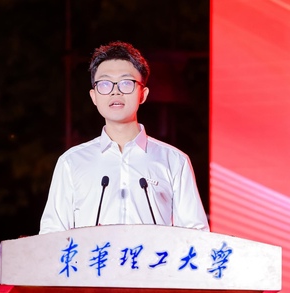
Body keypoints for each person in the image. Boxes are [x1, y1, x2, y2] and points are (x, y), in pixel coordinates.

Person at [39, 41, 209, 234]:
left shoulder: (174, 161)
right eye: (105, 84)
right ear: (94, 96)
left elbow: (195, 235)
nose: (115, 91)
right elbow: (52, 235)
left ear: (143, 94)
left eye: (126, 83)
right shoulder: (71, 162)